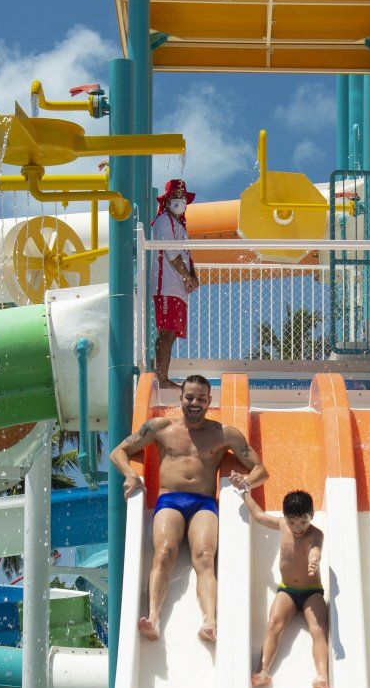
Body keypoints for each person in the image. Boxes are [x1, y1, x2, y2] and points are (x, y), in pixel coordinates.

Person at [110, 374, 266, 645]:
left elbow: (261, 470)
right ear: (180, 398)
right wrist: (129, 474)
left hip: (203, 503)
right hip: (170, 500)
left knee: (205, 556)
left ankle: (209, 622)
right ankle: (153, 617)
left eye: (201, 398)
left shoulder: (224, 434)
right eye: (190, 397)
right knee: (164, 552)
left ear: (209, 401)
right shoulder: (160, 427)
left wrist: (246, 482)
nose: (195, 403)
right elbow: (118, 452)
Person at [243, 488, 328, 688]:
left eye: (303, 521)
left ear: (312, 515)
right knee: (273, 624)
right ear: (285, 517)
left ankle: (322, 675)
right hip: (287, 589)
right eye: (292, 522)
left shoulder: (316, 534)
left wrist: (314, 560)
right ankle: (263, 671)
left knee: (318, 628)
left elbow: (315, 549)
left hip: (311, 591)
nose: (297, 528)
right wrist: (244, 492)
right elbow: (258, 516)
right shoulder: (282, 525)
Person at [149, 178, 198, 389]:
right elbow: (172, 254)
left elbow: (186, 255)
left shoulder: (180, 226)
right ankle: (161, 378)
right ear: (167, 200)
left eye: (183, 197)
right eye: (176, 196)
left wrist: (192, 276)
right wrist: (188, 277)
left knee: (172, 333)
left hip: (177, 288)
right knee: (166, 332)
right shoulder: (163, 221)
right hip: (165, 285)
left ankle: (163, 376)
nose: (180, 201)